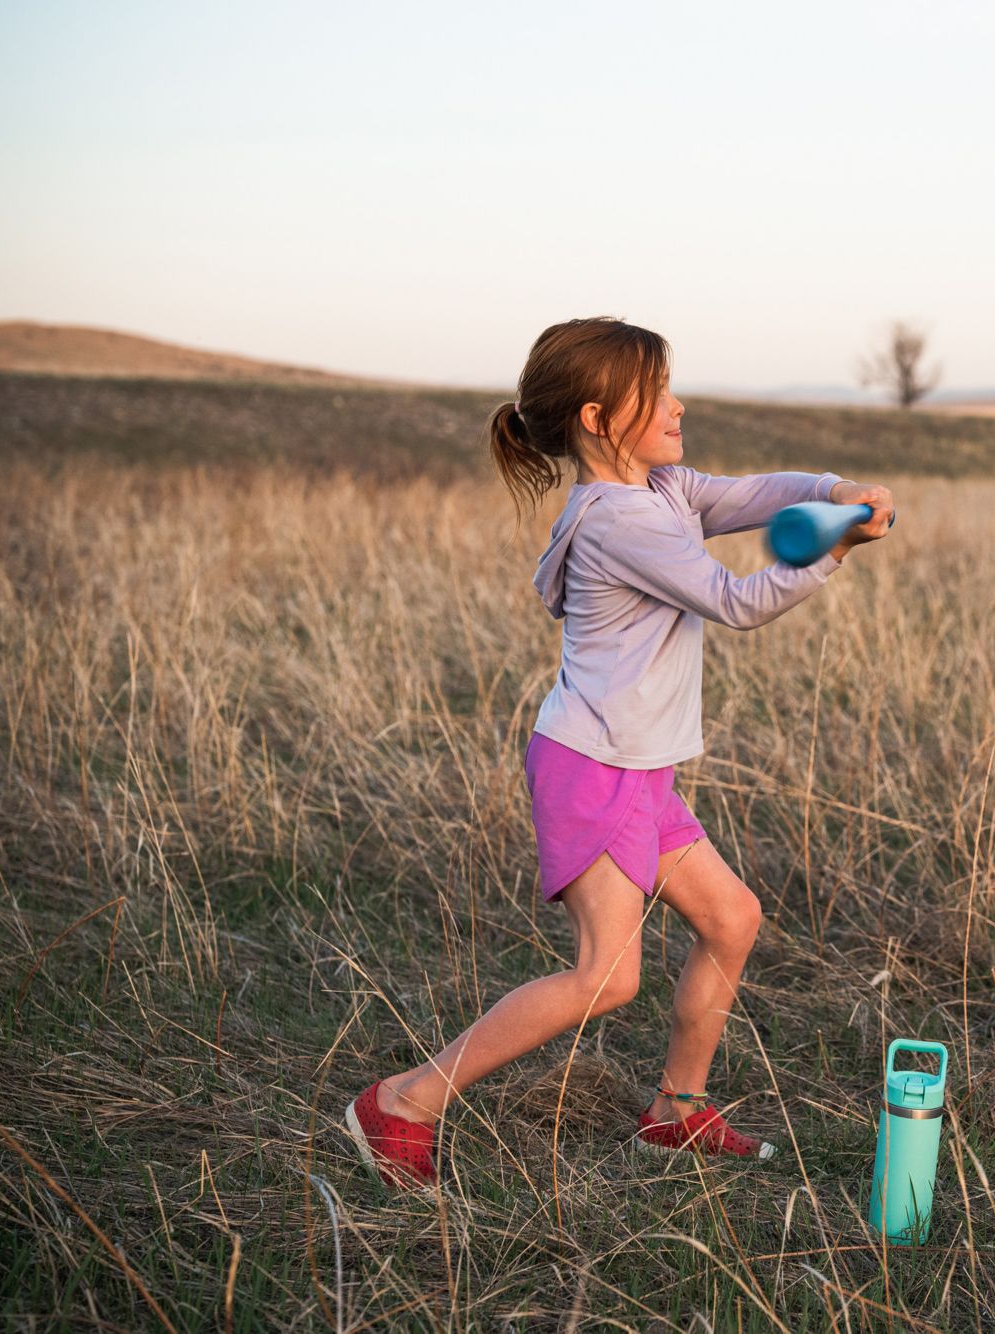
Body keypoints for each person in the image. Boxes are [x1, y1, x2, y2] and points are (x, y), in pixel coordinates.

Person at [343, 317, 894, 1189]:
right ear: (599, 418)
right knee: (605, 978)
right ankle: (402, 1103)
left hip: (639, 767)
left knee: (731, 919)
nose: (678, 404)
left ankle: (676, 1113)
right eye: (657, 393)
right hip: (592, 770)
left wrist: (831, 487)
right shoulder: (619, 522)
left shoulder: (665, 489)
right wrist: (832, 552)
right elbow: (737, 600)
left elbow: (751, 496)